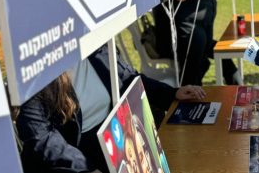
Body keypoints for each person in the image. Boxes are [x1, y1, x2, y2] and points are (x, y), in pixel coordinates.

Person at [16, 43, 205, 173]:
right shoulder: (36, 67)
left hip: (116, 136)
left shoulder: (94, 43)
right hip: (75, 153)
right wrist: (85, 168)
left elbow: (128, 78)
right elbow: (40, 136)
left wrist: (172, 94)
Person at [155, 0, 240, 86]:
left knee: (203, 47)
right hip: (183, 4)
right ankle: (194, 100)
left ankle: (230, 74)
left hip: (208, 1)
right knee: (193, 60)